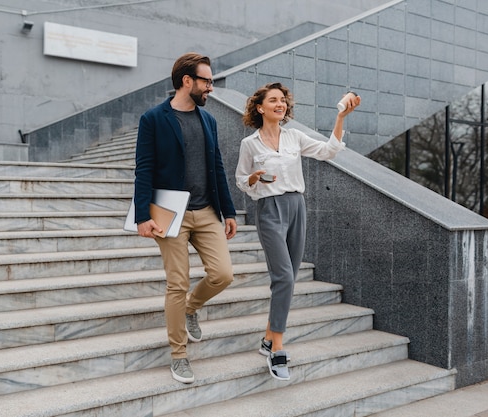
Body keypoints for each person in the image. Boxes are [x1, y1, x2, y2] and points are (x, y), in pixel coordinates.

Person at [235, 83, 360, 381]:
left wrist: (341, 118)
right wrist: (252, 177)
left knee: (287, 280)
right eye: (273, 100)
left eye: (283, 101)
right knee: (284, 277)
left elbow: (329, 151)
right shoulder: (249, 144)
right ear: (260, 107)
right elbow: (241, 180)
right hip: (268, 209)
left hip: (296, 207)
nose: (280, 104)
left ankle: (267, 338)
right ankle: (277, 348)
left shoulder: (294, 137)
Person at [134, 52, 238, 384]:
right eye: (206, 81)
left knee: (223, 274)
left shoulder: (208, 120)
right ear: (187, 81)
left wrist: (229, 211)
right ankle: (179, 355)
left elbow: (217, 166)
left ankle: (191, 308)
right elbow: (144, 170)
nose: (210, 87)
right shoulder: (153, 119)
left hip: (207, 211)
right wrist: (141, 216)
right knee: (176, 283)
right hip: (169, 213)